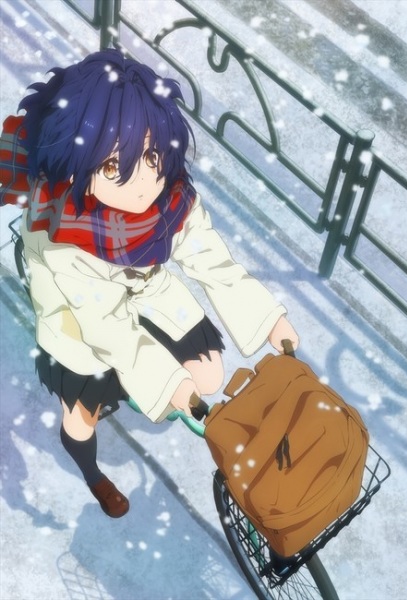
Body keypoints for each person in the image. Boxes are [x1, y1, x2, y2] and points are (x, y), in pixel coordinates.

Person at [0, 49, 299, 518]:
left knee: (207, 374)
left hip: (145, 292)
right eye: (113, 167)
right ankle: (93, 474)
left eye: (152, 154)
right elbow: (106, 324)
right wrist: (166, 382)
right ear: (78, 166)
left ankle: (146, 388)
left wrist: (267, 320)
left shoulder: (170, 196)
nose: (143, 182)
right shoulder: (65, 236)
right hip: (78, 321)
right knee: (82, 415)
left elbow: (210, 257)